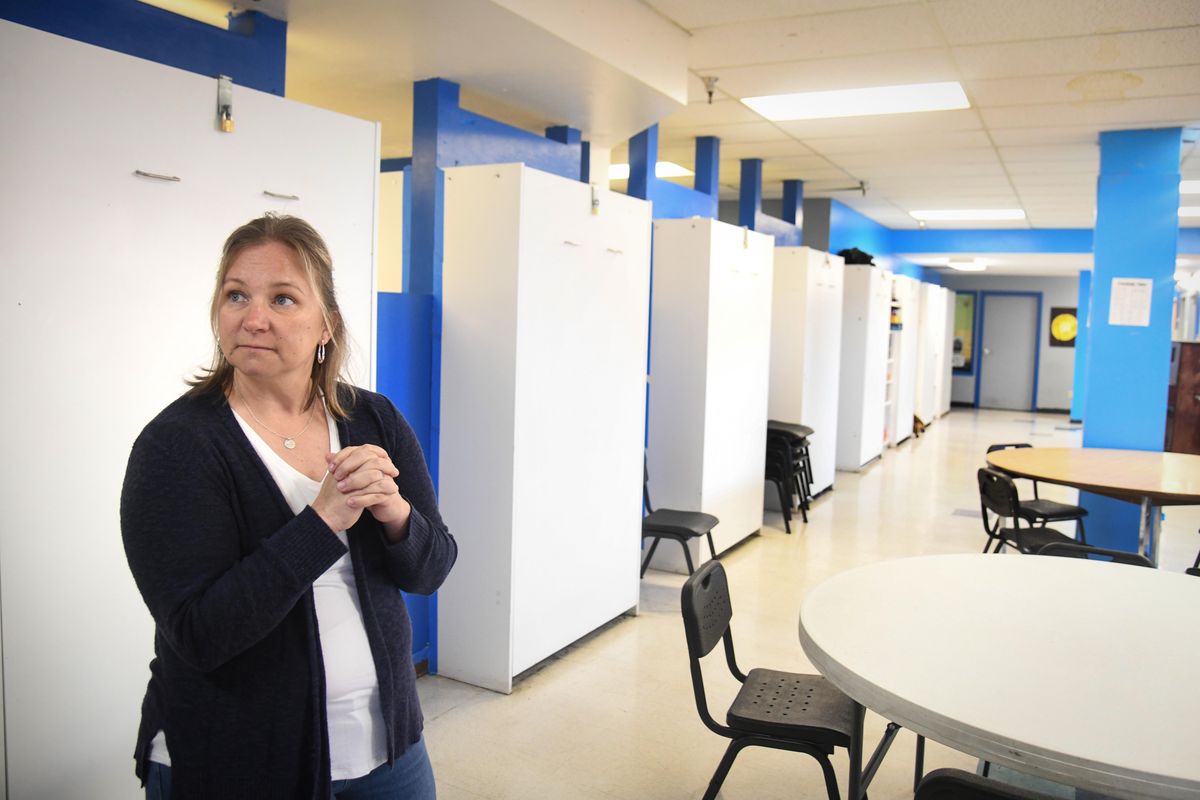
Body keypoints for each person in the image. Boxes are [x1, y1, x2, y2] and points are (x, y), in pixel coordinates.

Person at [121, 214, 457, 799]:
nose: (253, 318)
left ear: (326, 324)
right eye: (236, 296)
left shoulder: (372, 418)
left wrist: (395, 512)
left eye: (282, 298)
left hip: (389, 748)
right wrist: (323, 522)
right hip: (239, 761)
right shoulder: (177, 446)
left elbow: (432, 569)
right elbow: (201, 634)